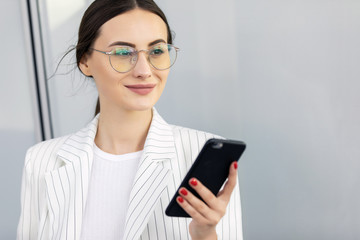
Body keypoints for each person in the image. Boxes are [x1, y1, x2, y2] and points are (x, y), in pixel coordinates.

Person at [17, 0, 243, 239]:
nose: (144, 70)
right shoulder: (41, 161)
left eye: (157, 51)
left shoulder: (201, 154)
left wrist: (204, 234)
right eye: (124, 53)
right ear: (85, 61)